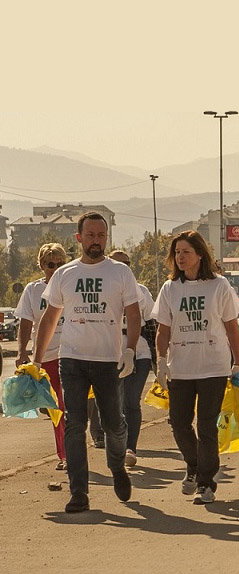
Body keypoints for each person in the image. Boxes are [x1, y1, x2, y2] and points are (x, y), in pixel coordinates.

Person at [31, 212, 141, 514]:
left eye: (101, 236)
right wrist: (37, 360)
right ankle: (78, 491)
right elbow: (49, 318)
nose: (96, 241)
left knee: (113, 424)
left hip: (108, 360)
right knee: (74, 424)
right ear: (79, 238)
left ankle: (117, 466)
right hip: (72, 360)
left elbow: (133, 314)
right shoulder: (65, 274)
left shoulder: (120, 272)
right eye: (90, 235)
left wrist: (130, 350)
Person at [152, 231, 239, 504]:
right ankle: (193, 464)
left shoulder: (219, 285)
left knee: (206, 426)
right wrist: (160, 360)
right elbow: (163, 329)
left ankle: (206, 483)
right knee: (179, 423)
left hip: (213, 367)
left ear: (200, 255)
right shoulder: (170, 288)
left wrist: (238, 362)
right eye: (177, 252)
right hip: (180, 367)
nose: (180, 257)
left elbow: (231, 327)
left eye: (186, 252)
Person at [14, 243, 69, 470]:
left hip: (72, 353)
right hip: (46, 356)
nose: (55, 269)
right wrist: (22, 351)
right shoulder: (33, 290)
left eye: (60, 264)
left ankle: (75, 449)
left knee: (72, 406)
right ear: (42, 265)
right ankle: (65, 455)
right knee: (57, 407)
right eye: (50, 264)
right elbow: (26, 323)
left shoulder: (72, 285)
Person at [108, 249, 155, 467]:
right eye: (116, 263)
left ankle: (130, 448)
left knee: (131, 401)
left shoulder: (141, 291)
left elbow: (153, 323)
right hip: (111, 352)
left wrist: (159, 358)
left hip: (139, 352)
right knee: (113, 403)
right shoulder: (104, 289)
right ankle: (116, 445)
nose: (122, 267)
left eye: (126, 263)